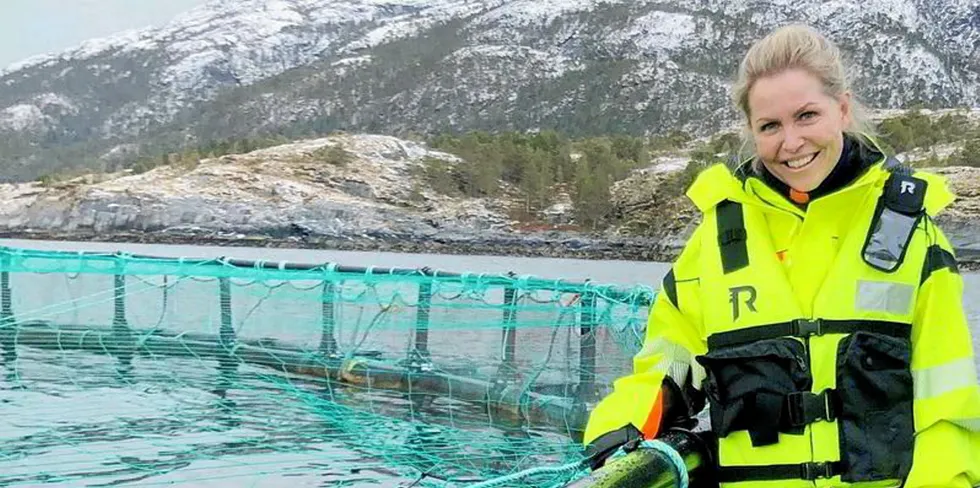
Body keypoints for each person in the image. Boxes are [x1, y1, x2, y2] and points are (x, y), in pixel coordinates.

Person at [581, 23, 980, 487]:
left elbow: (948, 404)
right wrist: (618, 430)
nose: (790, 143)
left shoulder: (911, 232)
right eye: (770, 126)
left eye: (807, 115)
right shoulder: (715, 239)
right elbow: (665, 369)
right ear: (752, 132)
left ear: (843, 109)